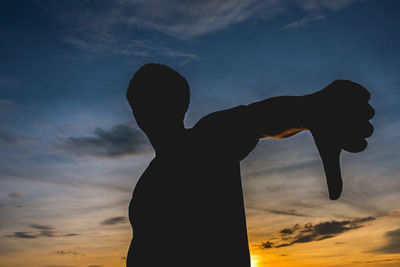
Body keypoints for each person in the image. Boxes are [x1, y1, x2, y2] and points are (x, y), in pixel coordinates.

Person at [126, 63, 374, 267]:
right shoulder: (150, 179)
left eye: (150, 99)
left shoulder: (205, 142)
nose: (145, 109)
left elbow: (256, 119)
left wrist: (315, 109)